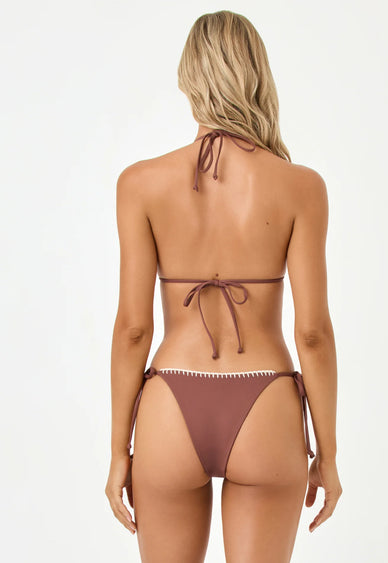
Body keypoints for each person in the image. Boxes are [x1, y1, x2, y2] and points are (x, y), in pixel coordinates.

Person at [105, 9, 342, 562]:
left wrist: (119, 451)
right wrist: (327, 455)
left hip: (170, 402)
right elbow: (312, 334)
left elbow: (134, 329)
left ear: (189, 78)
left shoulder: (139, 184)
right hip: (266, 404)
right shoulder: (302, 187)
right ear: (257, 75)